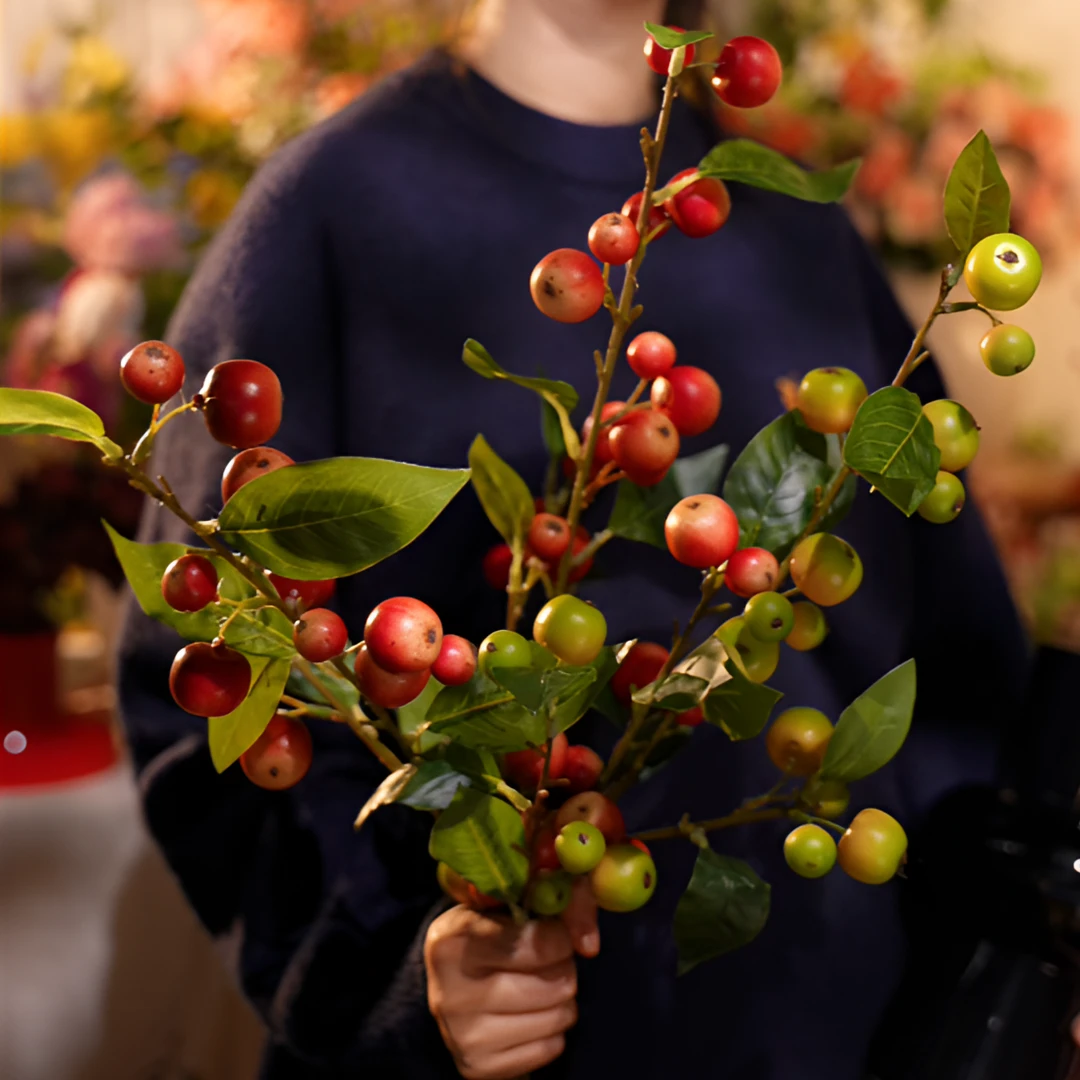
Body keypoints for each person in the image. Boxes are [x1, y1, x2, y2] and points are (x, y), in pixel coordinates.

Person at [118, 1, 1034, 1077]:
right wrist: (396, 974)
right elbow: (218, 682)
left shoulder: (796, 229)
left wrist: (1020, 970)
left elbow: (956, 677)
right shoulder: (331, 211)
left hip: (836, 1029)